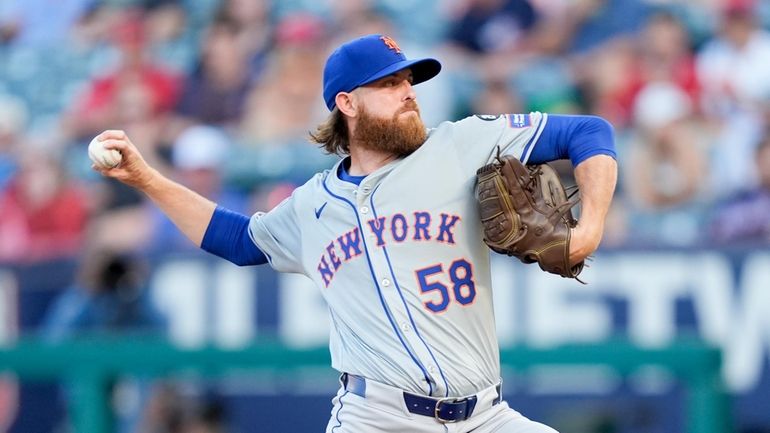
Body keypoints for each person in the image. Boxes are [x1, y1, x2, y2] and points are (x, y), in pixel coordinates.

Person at [92, 34, 617, 433]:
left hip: (486, 415)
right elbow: (236, 240)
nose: (408, 93)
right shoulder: (311, 205)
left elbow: (589, 131)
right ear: (347, 103)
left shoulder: (459, 144)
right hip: (378, 418)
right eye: (389, 84)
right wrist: (146, 178)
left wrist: (588, 229)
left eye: (409, 82)